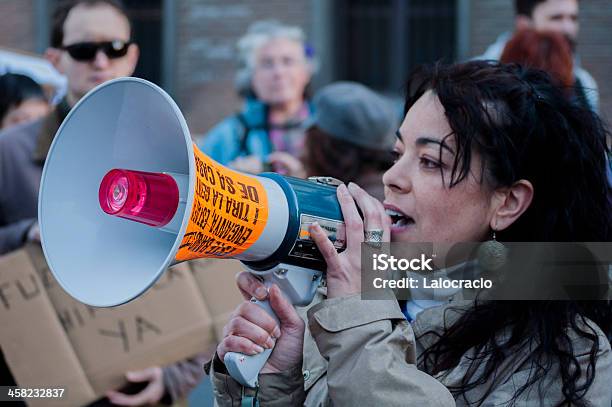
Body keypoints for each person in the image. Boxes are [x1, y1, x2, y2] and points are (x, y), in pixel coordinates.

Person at [207, 61, 611, 406]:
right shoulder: (345, 298)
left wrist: (358, 326)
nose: (392, 178)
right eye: (399, 154)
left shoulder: (568, 354)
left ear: (507, 203)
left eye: (432, 162)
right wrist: (282, 381)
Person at [0, 1, 208, 405]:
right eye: (82, 50)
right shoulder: (8, 152)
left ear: (131, 56)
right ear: (55, 59)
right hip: (38, 389)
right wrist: (24, 233)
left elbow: (213, 260)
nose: (100, 61)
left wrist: (175, 377)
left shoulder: (175, 150)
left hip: (143, 387)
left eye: (113, 48)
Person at [196, 20, 316, 174]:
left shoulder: (326, 128)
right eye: (267, 64)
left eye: (288, 61)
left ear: (305, 72)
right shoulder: (230, 135)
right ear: (251, 77)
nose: (278, 72)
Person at [268, 81, 397, 201]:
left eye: (309, 140)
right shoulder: (386, 189)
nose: (303, 151)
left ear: (326, 149)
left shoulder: (351, 204)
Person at [478, 0, 599, 112]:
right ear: (523, 24)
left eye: (573, 18)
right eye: (556, 18)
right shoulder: (478, 82)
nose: (568, 29)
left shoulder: (583, 83)